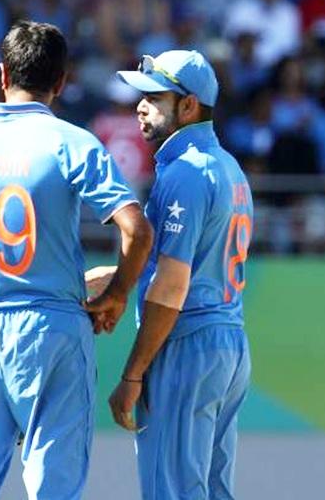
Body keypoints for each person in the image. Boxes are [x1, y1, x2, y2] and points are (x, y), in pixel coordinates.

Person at [0, 21, 152, 500]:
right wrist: (115, 294)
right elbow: (136, 229)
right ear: (62, 81)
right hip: (51, 327)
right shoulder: (71, 142)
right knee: (54, 486)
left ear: (3, 73)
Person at [91, 50, 253, 499]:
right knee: (209, 489)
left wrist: (133, 373)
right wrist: (116, 279)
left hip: (187, 345)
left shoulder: (185, 172)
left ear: (188, 106)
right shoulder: (228, 166)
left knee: (174, 490)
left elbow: (171, 286)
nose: (139, 106)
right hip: (227, 343)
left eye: (153, 97)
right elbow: (187, 264)